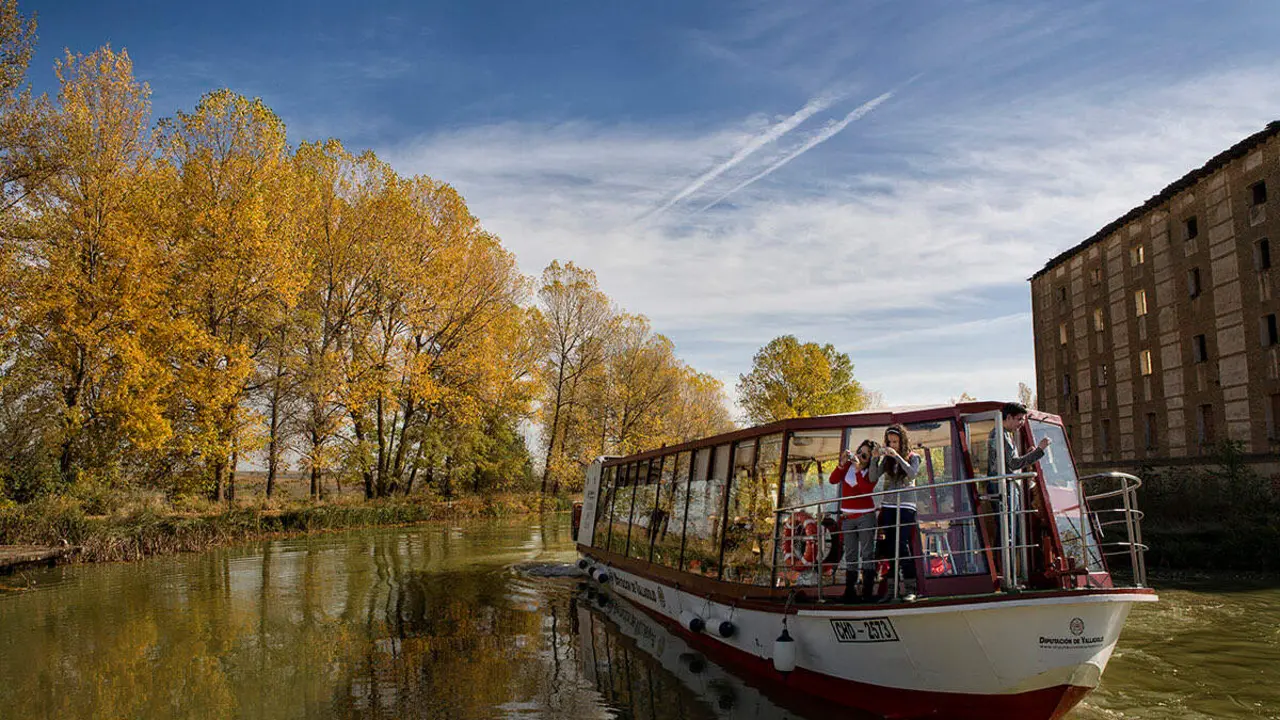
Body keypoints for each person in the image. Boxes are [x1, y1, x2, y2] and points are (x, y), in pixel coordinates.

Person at [985, 402, 1052, 587]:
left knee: (1010, 532)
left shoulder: (1004, 435)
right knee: (1007, 532)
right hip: (1002, 488)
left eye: (1023, 419)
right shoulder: (1001, 435)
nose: (1021, 423)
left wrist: (1028, 455)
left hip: (1006, 487)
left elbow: (1010, 463)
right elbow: (1012, 465)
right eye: (1019, 419)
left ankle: (1009, 576)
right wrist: (1040, 450)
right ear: (1007, 418)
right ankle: (1006, 578)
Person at [870, 424, 922, 602]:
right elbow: (872, 477)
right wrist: (874, 459)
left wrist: (898, 456)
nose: (892, 445)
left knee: (903, 546)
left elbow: (912, 474)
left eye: (895, 442)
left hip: (906, 506)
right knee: (890, 547)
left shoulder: (914, 457)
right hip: (889, 506)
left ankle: (910, 588)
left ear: (902, 442)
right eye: (890, 442)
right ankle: (892, 591)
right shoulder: (886, 460)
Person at [827, 439, 880, 602]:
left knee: (867, 553)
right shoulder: (848, 468)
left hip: (865, 516)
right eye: (859, 452)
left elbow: (866, 490)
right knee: (850, 554)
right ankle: (850, 590)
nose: (860, 457)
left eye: (864, 456)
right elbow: (833, 480)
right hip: (848, 518)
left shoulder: (871, 471)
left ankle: (867, 591)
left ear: (870, 459)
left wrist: (858, 469)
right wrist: (842, 464)